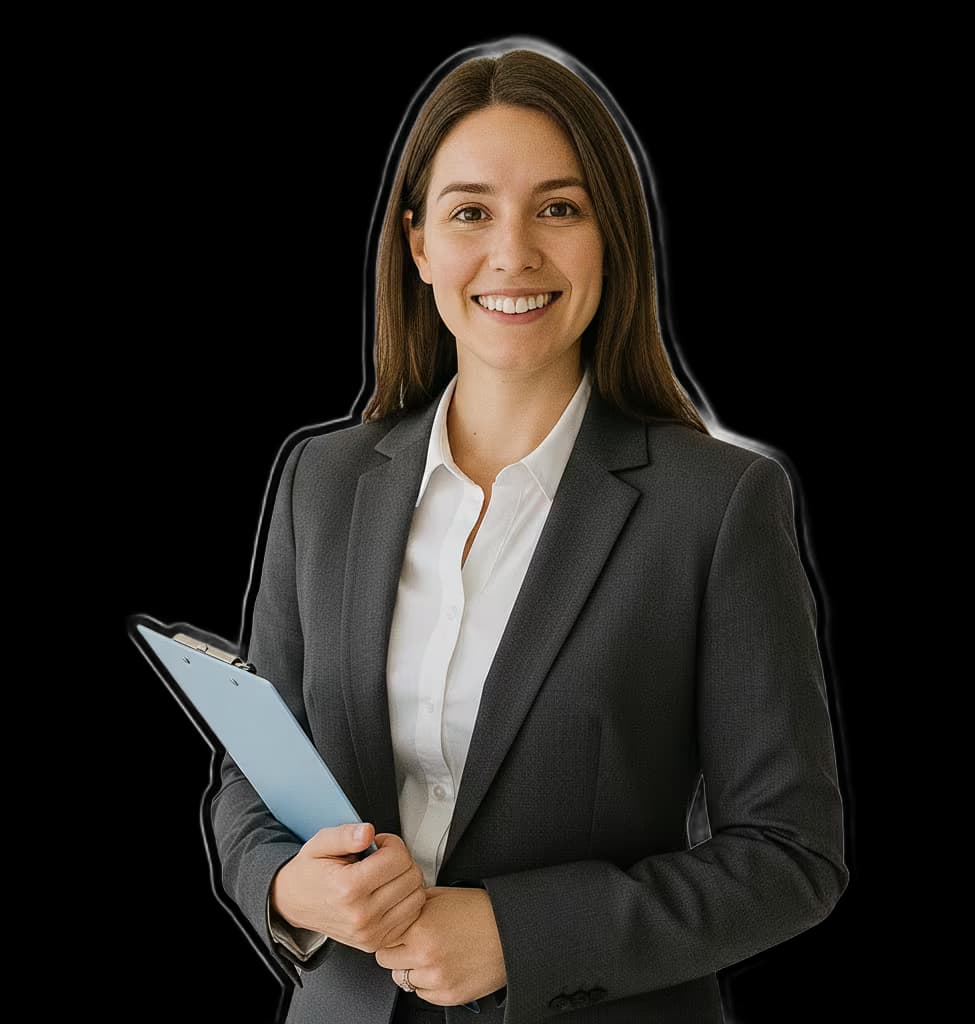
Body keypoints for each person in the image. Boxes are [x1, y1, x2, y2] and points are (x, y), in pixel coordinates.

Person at [208, 43, 848, 1024]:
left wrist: (516, 933)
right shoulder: (322, 482)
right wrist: (291, 887)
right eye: (471, 212)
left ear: (611, 237)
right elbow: (249, 787)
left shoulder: (718, 505)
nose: (513, 254)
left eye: (558, 208)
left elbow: (790, 854)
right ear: (419, 245)